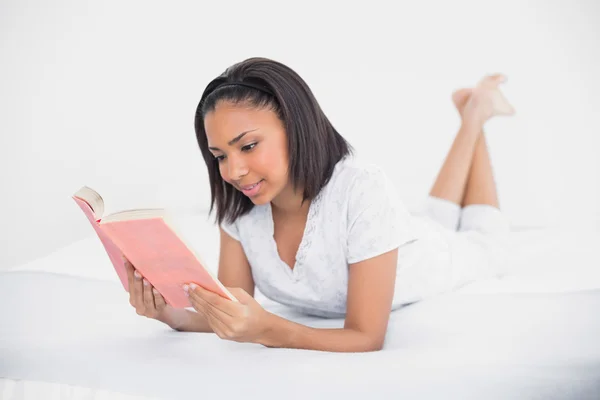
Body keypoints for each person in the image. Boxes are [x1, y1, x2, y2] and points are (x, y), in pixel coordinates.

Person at [123, 57, 516, 353]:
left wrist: (268, 330)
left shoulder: (362, 187)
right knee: (431, 215)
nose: (234, 170)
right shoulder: (241, 210)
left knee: (484, 242)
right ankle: (472, 114)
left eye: (247, 146)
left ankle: (475, 115)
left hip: (428, 258)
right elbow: (233, 311)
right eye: (220, 155)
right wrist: (167, 314)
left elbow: (366, 336)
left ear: (295, 126)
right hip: (403, 230)